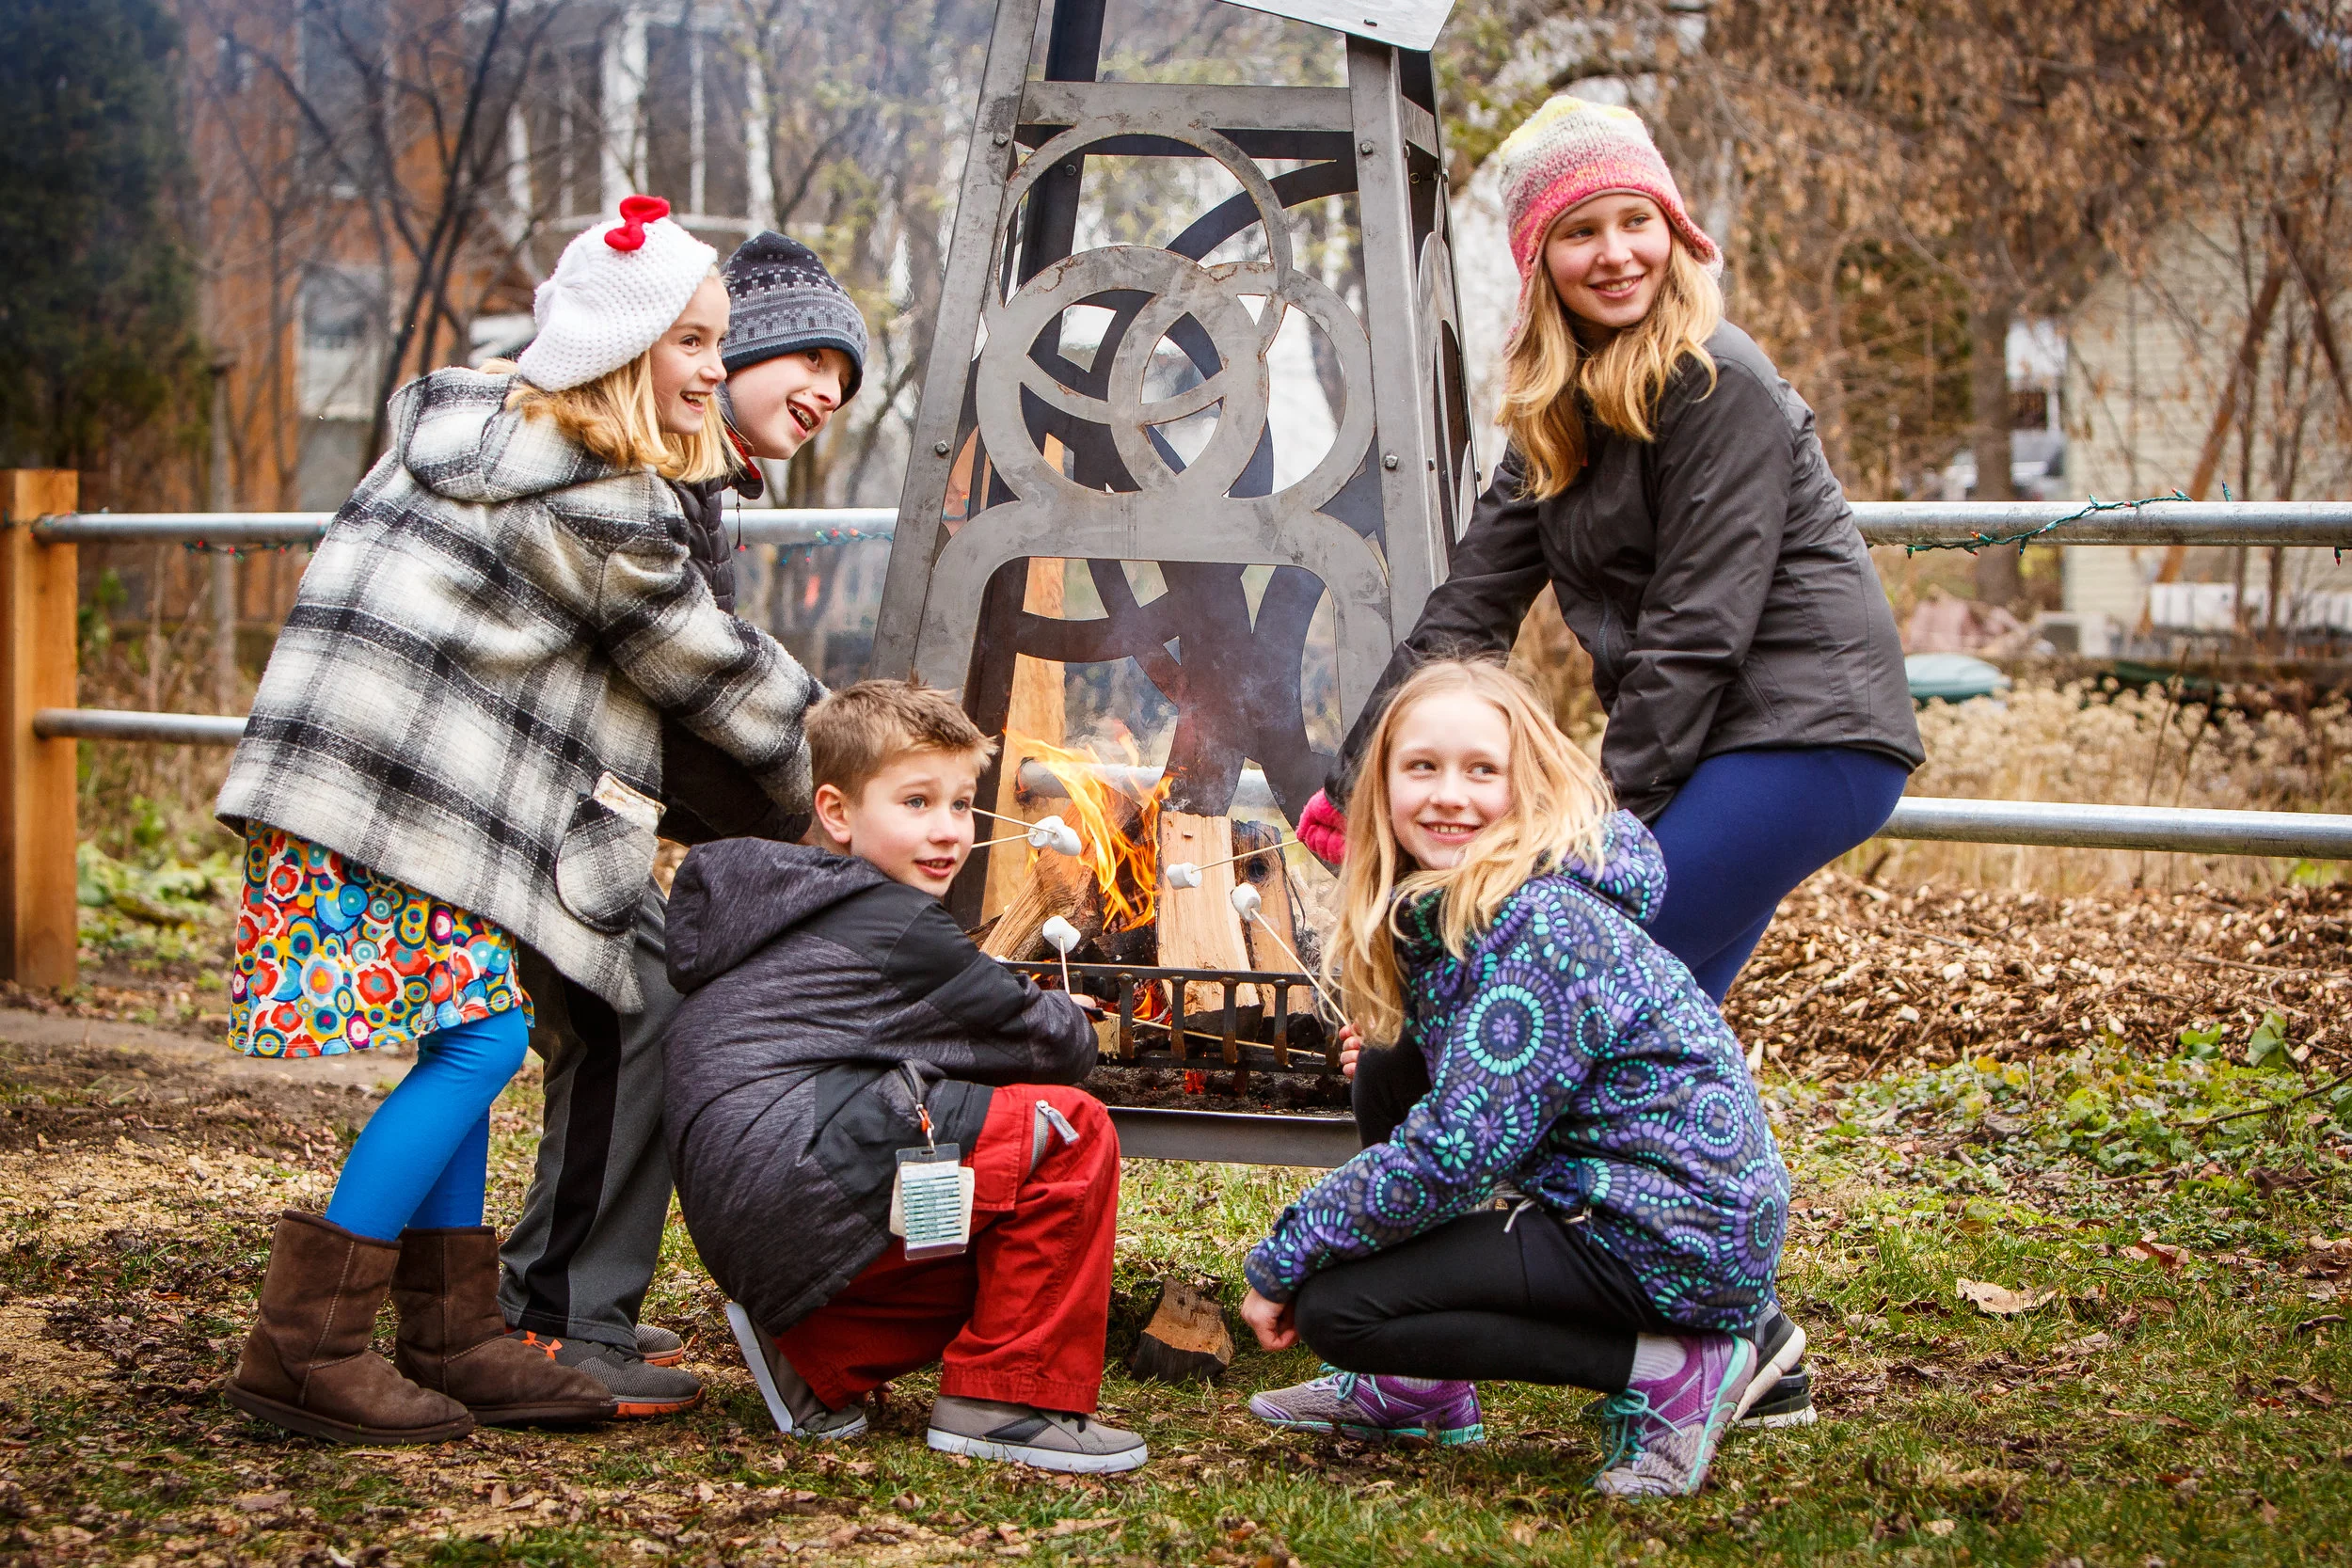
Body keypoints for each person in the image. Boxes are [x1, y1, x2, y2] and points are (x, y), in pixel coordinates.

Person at [1295, 95, 1923, 1425]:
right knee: (1630, 1030)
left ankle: (1526, 1346)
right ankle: (1687, 1340)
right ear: (1542, 262)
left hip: (1805, 736)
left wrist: (1594, 837)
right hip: (1723, 738)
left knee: (1574, 990)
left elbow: (1697, 636)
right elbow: (1469, 606)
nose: (1616, 251)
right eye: (1582, 230)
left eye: (1636, 220)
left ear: (1676, 233)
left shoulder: (1719, 382)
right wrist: (1357, 780)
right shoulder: (1556, 408)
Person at [216, 196, 822, 1446]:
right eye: (695, 343)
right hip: (392, 795)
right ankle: (306, 1346)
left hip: (374, 783)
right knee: (481, 1044)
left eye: (720, 343)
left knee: (464, 1030)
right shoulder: (592, 491)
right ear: (623, 352)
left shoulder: (485, 432)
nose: (718, 365)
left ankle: (455, 1333)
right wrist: (864, 750)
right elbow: (707, 666)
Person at [1239, 659, 1789, 1498]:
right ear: (1383, 785)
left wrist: (1287, 1254)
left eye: (1481, 770)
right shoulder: (1468, 901)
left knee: (1338, 1310)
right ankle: (1418, 1384)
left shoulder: (1537, 924)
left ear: (1523, 784)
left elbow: (1454, 1152)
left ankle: (1678, 1365)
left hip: (1666, 1230)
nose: (1450, 795)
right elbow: (1461, 1096)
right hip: (1621, 1199)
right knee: (1390, 1062)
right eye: (1422, 767)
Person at [495, 231, 868, 1418]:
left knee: (635, 1011)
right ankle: (557, 1321)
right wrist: (842, 782)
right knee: (634, 1010)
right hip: (529, 790)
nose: (823, 390)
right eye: (805, 356)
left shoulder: (695, 478)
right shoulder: (652, 476)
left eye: (846, 378)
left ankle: (551, 1292)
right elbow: (696, 674)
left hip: (568, 791)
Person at [660, 681, 1147, 1474]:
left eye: (961, 804)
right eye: (916, 802)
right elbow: (1049, 1046)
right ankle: (1006, 1402)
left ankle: (819, 1353)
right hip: (800, 1164)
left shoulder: (791, 902)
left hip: (757, 1201)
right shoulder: (893, 924)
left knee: (988, 1233)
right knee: (1067, 1130)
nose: (947, 830)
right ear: (838, 811)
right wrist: (1065, 1011)